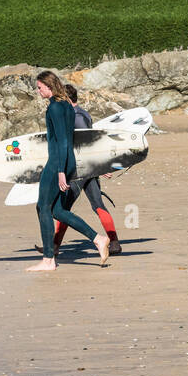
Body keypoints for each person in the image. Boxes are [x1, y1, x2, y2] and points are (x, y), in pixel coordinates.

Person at [27, 71, 110, 272]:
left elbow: (63, 140)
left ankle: (48, 260)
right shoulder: (66, 105)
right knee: (57, 211)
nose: (38, 91)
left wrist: (60, 171)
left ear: (48, 86)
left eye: (39, 87)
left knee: (43, 208)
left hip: (57, 163)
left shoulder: (55, 107)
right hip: (67, 161)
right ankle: (98, 239)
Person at [43, 85, 122, 256]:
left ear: (67, 98)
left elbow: (86, 145)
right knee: (97, 205)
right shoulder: (83, 114)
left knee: (63, 207)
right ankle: (114, 243)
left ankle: (54, 246)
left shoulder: (77, 117)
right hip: (89, 167)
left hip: (81, 168)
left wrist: (100, 166)